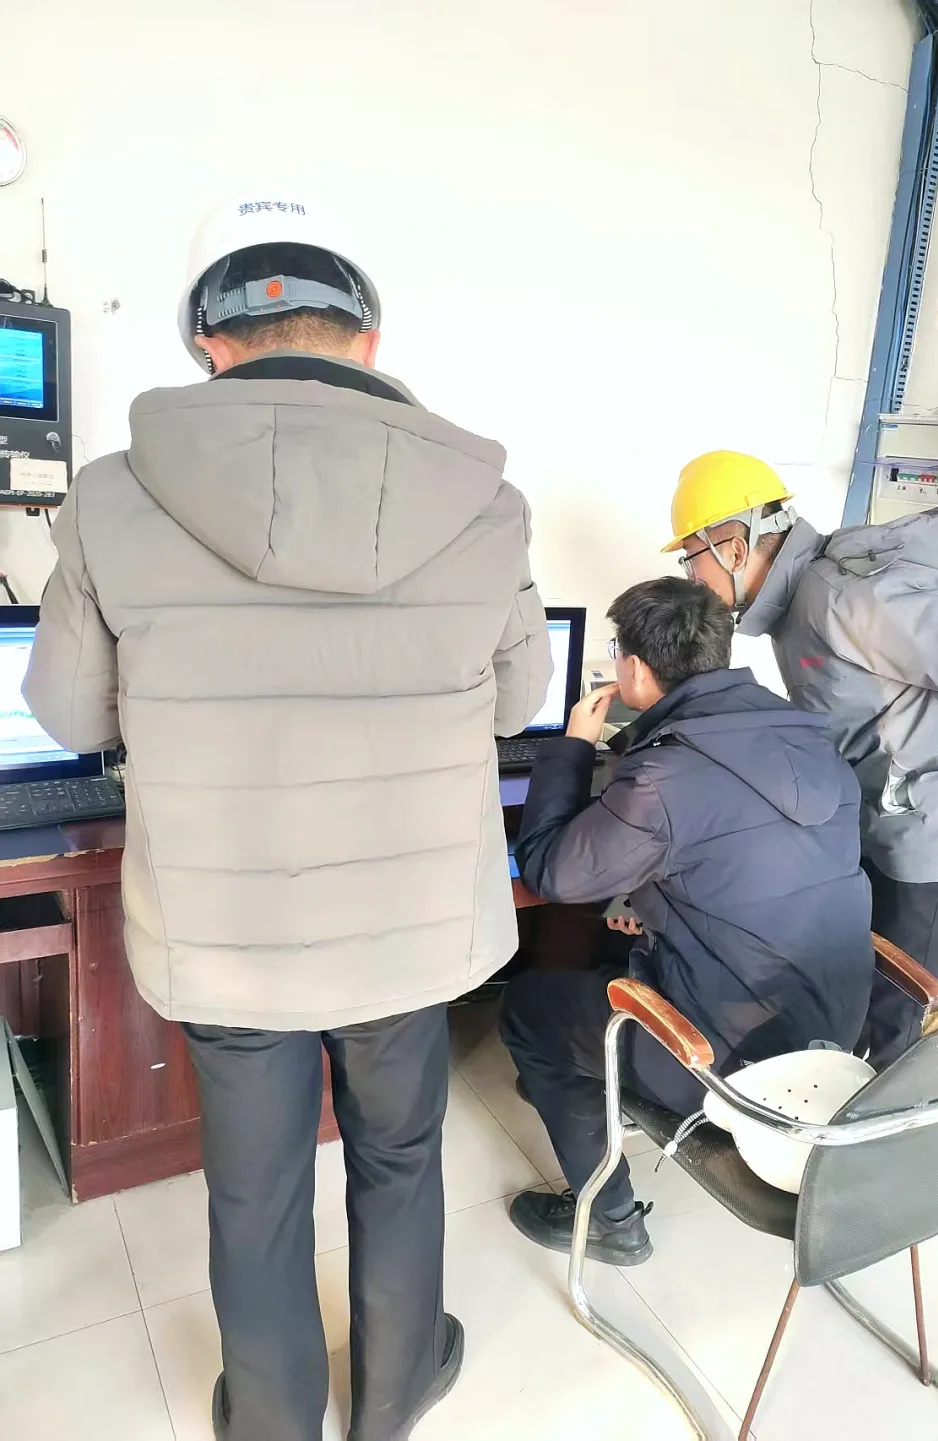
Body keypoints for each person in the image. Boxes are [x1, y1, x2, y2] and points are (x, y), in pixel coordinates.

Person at [23, 196, 552, 1441]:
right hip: (411, 924)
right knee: (401, 1159)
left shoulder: (108, 497)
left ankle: (271, 1418)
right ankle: (397, 1393)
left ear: (209, 348)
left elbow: (69, 711)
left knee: (254, 1191)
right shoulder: (486, 502)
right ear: (368, 342)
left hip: (227, 926)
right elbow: (519, 699)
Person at [664, 449, 938, 1067]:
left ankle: (891, 1125)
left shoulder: (847, 597)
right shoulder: (801, 605)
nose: (690, 576)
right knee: (867, 980)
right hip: (911, 808)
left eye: (690, 556)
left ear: (733, 545)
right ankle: (849, 1094)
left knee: (909, 1015)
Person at [501, 577, 873, 1265]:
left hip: (728, 1057)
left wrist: (575, 747)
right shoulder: (809, 739)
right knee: (600, 951)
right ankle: (594, 1085)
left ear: (637, 670)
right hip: (831, 1027)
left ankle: (610, 1220)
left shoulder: (663, 777)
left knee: (528, 1010)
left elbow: (551, 871)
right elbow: (746, 866)